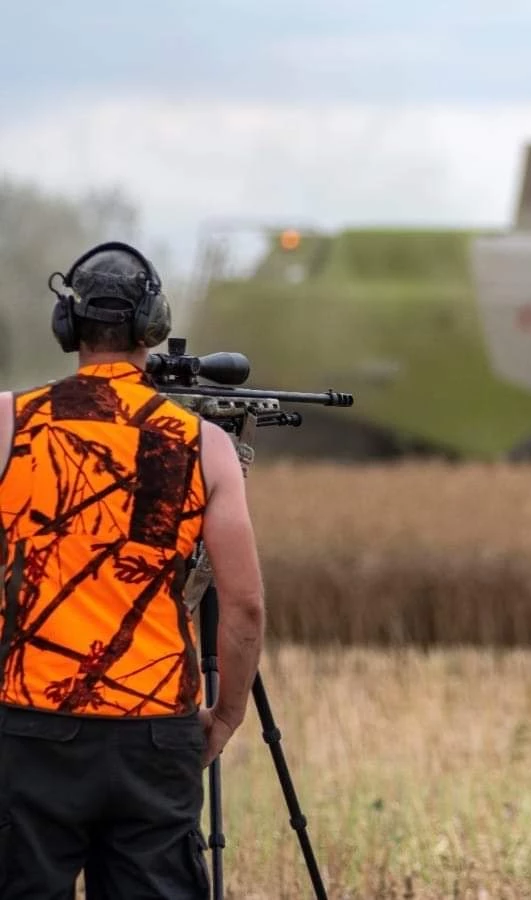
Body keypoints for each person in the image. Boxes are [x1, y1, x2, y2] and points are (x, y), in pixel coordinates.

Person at [0, 242, 266, 898]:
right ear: (152, 326)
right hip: (154, 733)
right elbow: (245, 605)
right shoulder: (204, 444)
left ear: (69, 328)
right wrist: (226, 714)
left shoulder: (9, 422)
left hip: (27, 727)